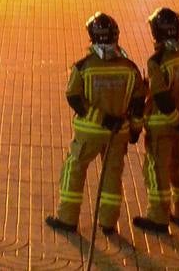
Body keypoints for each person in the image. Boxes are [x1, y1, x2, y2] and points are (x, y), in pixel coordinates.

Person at [45, 12, 145, 235]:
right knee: (112, 175)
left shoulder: (84, 67)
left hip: (89, 134)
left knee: (75, 168)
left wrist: (101, 119)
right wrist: (135, 130)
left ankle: (67, 219)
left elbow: (74, 98)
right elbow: (138, 103)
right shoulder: (130, 68)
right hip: (118, 134)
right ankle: (108, 224)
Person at [133, 7, 179, 235]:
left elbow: (161, 96)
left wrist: (174, 120)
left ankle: (158, 217)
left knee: (157, 170)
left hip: (162, 125)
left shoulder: (158, 61)